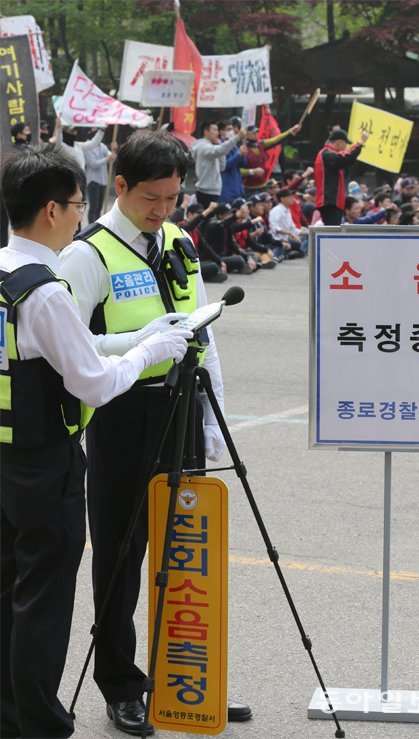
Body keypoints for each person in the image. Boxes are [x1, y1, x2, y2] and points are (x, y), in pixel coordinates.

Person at [59, 130, 252, 735]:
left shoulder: (179, 240)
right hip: (121, 413)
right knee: (121, 557)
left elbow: (202, 329)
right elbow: (69, 348)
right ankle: (121, 685)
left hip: (182, 406)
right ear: (120, 186)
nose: (163, 209)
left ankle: (186, 682)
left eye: (173, 198)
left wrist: (215, 412)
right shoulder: (87, 255)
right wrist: (140, 343)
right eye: (152, 198)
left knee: (187, 550)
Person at [0, 143, 192, 739]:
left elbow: (59, 354)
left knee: (9, 594)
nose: (82, 215)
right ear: (53, 210)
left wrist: (132, 341)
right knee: (44, 602)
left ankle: (12, 718)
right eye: (79, 204)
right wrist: (150, 349)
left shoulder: (5, 272)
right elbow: (94, 382)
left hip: (7, 453)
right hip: (46, 460)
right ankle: (40, 723)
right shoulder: (47, 288)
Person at [314, 128, 369, 225]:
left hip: (332, 202)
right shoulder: (326, 154)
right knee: (333, 231)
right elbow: (346, 158)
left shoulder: (328, 154)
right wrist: (359, 143)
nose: (346, 147)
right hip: (329, 202)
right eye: (345, 143)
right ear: (339, 142)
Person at [192, 120, 246, 208]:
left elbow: (222, 166)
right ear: (206, 132)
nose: (217, 133)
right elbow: (221, 150)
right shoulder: (204, 147)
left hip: (214, 190)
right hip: (206, 191)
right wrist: (237, 137)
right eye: (214, 130)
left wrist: (219, 145)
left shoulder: (212, 145)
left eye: (217, 130)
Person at [242, 122, 301, 197]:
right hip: (249, 189)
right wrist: (252, 172)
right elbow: (237, 170)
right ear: (246, 135)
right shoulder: (242, 149)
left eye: (256, 132)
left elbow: (275, 140)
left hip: (263, 186)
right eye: (253, 133)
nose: (256, 134)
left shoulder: (260, 144)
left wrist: (290, 131)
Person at [84, 129, 118, 222]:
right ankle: (92, 226)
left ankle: (98, 226)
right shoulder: (87, 146)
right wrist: (107, 158)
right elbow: (93, 164)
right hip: (93, 180)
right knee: (93, 207)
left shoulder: (102, 146)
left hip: (103, 180)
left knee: (99, 207)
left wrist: (114, 150)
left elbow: (112, 158)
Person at [268, 188, 307, 258]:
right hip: (276, 241)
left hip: (286, 240)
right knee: (280, 249)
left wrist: (309, 233)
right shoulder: (276, 210)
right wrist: (290, 233)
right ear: (282, 199)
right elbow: (274, 228)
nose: (293, 199)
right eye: (290, 197)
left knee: (302, 241)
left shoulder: (287, 210)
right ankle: (281, 255)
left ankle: (287, 254)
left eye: (293, 196)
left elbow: (293, 229)